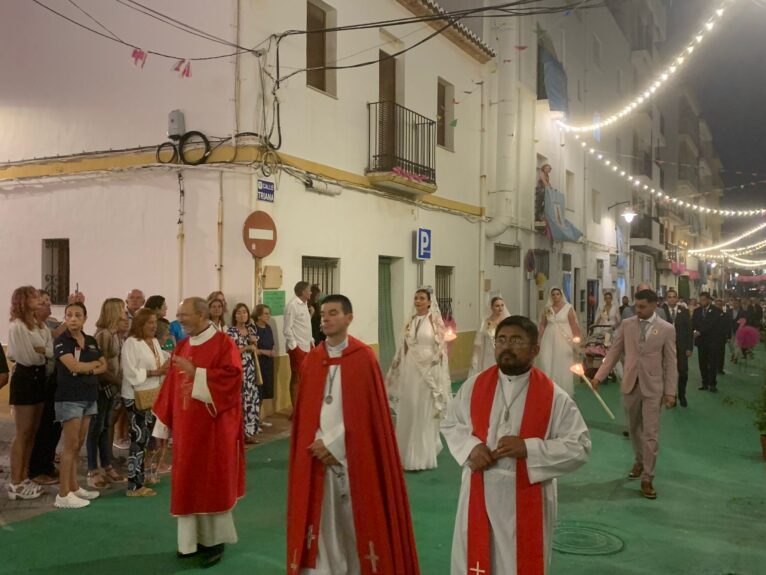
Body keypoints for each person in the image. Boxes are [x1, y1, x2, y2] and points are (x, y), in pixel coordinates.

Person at [442, 315, 591, 575]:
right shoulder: (474, 386)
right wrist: (470, 448)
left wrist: (530, 449)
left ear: (535, 349)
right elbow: (451, 422)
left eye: (515, 340)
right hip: (480, 491)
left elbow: (579, 445)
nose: (506, 346)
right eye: (501, 340)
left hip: (525, 494)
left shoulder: (554, 397)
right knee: (476, 559)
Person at [287, 294, 421, 574]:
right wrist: (316, 443)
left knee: (356, 522)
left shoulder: (363, 358)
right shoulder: (312, 361)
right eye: (323, 314)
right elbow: (306, 414)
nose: (326, 318)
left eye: (333, 313)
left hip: (353, 458)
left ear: (349, 318)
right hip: (316, 454)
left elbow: (370, 417)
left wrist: (334, 444)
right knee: (322, 521)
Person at [152, 297, 245, 569]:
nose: (179, 319)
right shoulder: (183, 345)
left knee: (211, 482)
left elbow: (231, 380)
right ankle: (189, 543)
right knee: (187, 483)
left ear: (202, 315)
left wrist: (198, 373)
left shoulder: (224, 344)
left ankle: (215, 543)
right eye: (178, 314)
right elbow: (171, 388)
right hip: (186, 431)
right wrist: (162, 427)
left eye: (185, 314)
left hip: (214, 430)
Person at [592, 289, 677, 499]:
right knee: (633, 428)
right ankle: (639, 461)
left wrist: (670, 392)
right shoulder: (627, 324)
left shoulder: (666, 329)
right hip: (630, 384)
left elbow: (671, 362)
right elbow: (614, 351)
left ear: (654, 305)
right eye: (636, 306)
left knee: (651, 433)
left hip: (653, 387)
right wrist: (599, 376)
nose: (637, 310)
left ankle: (648, 477)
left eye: (642, 307)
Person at [386, 289, 452, 471]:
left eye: (422, 298)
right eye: (416, 298)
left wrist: (435, 364)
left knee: (422, 408)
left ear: (430, 302)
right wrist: (398, 366)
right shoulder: (410, 321)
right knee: (409, 406)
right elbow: (404, 347)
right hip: (411, 368)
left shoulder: (434, 320)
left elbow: (441, 345)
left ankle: (421, 456)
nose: (418, 301)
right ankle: (405, 453)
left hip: (428, 368)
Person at [53, 302, 107, 509]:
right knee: (70, 445)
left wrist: (89, 369)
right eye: (69, 315)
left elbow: (104, 365)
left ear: (85, 318)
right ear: (65, 319)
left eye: (77, 315)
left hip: (89, 396)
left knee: (78, 444)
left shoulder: (91, 340)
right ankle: (63, 494)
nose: (73, 318)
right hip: (70, 397)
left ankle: (74, 487)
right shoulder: (62, 341)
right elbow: (72, 366)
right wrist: (92, 366)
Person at [6, 286, 52, 501]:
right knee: (23, 432)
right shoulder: (17, 327)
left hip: (39, 377)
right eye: (34, 297)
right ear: (23, 301)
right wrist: (42, 352)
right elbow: (28, 357)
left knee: (33, 431)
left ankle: (25, 476)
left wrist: (43, 352)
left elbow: (49, 351)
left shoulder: (40, 326)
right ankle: (15, 481)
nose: (39, 300)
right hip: (25, 378)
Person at [121, 308, 169, 496]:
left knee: (147, 438)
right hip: (135, 396)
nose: (153, 326)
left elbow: (162, 362)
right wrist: (155, 372)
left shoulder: (155, 342)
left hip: (152, 393)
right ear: (140, 324)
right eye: (150, 322)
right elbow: (131, 372)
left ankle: (142, 476)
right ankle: (134, 485)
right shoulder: (131, 343)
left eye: (155, 322)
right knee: (138, 438)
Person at [87, 298, 127, 488]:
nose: (124, 312)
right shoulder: (103, 335)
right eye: (121, 309)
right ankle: (92, 469)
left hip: (112, 387)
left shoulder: (115, 334)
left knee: (105, 426)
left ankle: (107, 464)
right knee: (96, 428)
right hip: (103, 386)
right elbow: (101, 364)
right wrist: (118, 381)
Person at [27, 290, 64, 486]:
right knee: (39, 428)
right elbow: (45, 349)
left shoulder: (44, 325)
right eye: (44, 302)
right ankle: (35, 469)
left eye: (50, 301)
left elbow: (51, 348)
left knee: (53, 426)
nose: (49, 305)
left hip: (51, 379)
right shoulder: (30, 327)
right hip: (34, 381)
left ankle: (47, 464)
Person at [536, 287, 582, 396]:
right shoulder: (547, 309)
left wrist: (577, 340)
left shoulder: (568, 307)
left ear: (561, 295)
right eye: (553, 294)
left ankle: (563, 390)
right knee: (546, 361)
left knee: (562, 363)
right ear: (551, 296)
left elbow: (573, 324)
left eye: (557, 294)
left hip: (563, 340)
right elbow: (542, 324)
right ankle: (548, 388)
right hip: (548, 338)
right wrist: (539, 339)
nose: (555, 296)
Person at [227, 303, 261, 443]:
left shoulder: (251, 330)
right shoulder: (231, 332)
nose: (242, 315)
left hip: (251, 368)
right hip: (238, 368)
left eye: (245, 312)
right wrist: (246, 347)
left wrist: (254, 345)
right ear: (234, 315)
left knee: (251, 398)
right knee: (240, 399)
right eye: (239, 312)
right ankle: (238, 432)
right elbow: (230, 352)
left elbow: (255, 350)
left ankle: (250, 432)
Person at [284, 281, 314, 415]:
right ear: (303, 292)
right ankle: (295, 411)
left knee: (306, 378)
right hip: (298, 347)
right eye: (309, 290)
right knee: (296, 377)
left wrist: (311, 340)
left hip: (307, 345)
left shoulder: (305, 305)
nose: (311, 292)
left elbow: (304, 325)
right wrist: (294, 346)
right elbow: (287, 329)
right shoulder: (292, 305)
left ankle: (303, 407)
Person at [661, 289, 693, 407]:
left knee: (683, 372)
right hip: (666, 347)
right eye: (669, 297)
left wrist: (690, 347)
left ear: (677, 299)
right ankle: (670, 396)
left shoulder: (684, 312)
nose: (672, 299)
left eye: (674, 297)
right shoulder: (661, 311)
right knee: (667, 372)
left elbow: (689, 330)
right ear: (666, 299)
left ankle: (682, 395)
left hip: (682, 347)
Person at [468, 296, 510, 377]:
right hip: (487, 356)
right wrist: (475, 356)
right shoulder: (485, 322)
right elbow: (478, 340)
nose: (500, 308)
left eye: (502, 305)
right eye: (497, 306)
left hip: (502, 355)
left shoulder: (507, 322)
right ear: (491, 307)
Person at [692, 292, 724, 393]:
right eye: (700, 300)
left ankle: (712, 384)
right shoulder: (697, 311)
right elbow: (693, 322)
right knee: (702, 363)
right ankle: (704, 383)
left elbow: (712, 325)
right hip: (701, 342)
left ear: (709, 300)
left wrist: (700, 331)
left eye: (704, 300)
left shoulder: (716, 311)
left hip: (712, 342)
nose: (702, 302)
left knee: (712, 363)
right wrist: (694, 331)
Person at [252, 304, 276, 427]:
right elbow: (255, 349)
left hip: (268, 364)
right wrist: (266, 352)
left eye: (269, 313)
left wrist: (271, 352)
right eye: (266, 313)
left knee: (264, 393)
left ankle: (259, 419)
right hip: (258, 363)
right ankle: (254, 421)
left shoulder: (268, 328)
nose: (268, 316)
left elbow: (272, 345)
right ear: (259, 315)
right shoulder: (253, 328)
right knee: (257, 393)